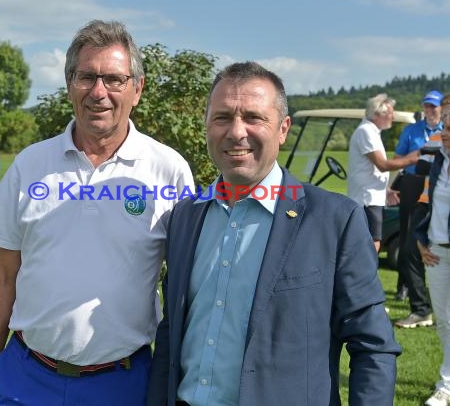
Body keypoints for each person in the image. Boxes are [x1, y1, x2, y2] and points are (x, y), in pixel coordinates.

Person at [147, 62, 401, 406]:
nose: (236, 131)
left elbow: (372, 345)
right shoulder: (185, 217)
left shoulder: (334, 220)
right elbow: (171, 333)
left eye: (253, 117)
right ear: (207, 125)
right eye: (222, 117)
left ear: (283, 129)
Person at [0, 20, 194, 406]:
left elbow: (188, 287)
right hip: (25, 376)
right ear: (68, 85)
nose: (98, 92)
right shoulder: (31, 164)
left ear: (137, 89)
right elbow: (2, 276)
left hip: (122, 384)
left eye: (113, 79)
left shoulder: (168, 170)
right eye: (85, 77)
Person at [391, 90, 443, 328]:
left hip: (437, 197)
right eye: (428, 106)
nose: (431, 110)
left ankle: (426, 306)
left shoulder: (438, 136)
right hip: (417, 190)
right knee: (410, 246)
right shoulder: (419, 133)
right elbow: (408, 162)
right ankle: (415, 300)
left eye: (435, 107)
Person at [347, 93, 419, 252]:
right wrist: (414, 158)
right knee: (374, 241)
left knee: (371, 240)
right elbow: (382, 165)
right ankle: (368, 274)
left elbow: (370, 169)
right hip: (367, 198)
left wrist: (385, 189)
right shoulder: (366, 131)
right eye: (390, 113)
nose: (393, 117)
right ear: (378, 114)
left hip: (372, 195)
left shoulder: (371, 132)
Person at [415, 96, 450, 406]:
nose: (447, 134)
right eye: (446, 128)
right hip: (437, 252)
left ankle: (446, 382)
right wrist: (420, 240)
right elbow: (426, 204)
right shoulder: (437, 160)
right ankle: (448, 384)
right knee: (444, 321)